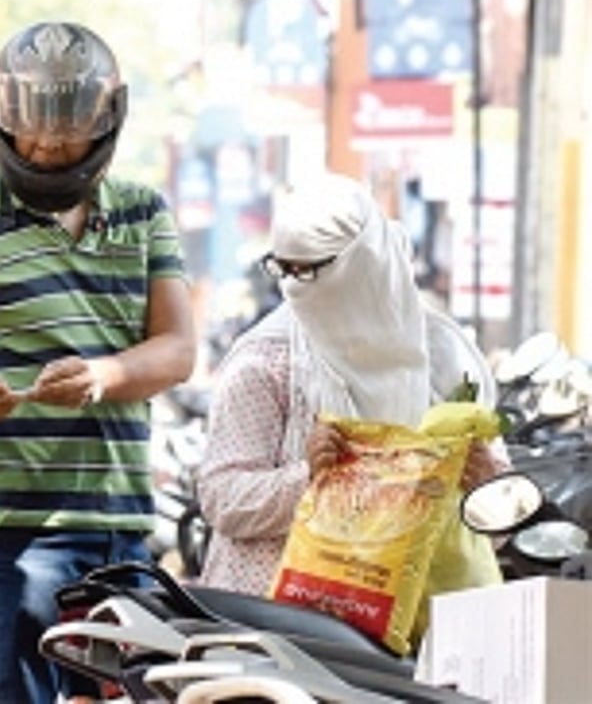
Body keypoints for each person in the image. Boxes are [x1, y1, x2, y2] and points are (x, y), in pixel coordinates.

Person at [0, 21, 198, 704]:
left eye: (70, 126)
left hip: (119, 522)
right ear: (0, 114)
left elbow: (177, 349)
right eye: (34, 126)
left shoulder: (144, 214)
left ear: (107, 120)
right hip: (8, 533)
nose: (51, 143)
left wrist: (103, 376)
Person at [196, 172, 508, 605]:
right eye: (284, 269)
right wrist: (309, 478)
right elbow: (222, 498)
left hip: (408, 621)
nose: (294, 286)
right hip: (278, 627)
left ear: (366, 258)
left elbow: (499, 510)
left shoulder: (444, 356)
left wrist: (485, 481)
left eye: (310, 270)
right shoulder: (266, 362)